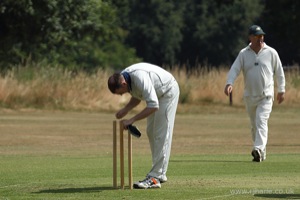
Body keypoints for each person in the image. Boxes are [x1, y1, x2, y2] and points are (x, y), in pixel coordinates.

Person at [107, 62, 180, 188]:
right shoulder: (125, 77)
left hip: (167, 92)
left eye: (121, 92)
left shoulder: (140, 78)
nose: (122, 95)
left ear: (123, 84)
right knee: (150, 132)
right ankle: (159, 173)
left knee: (160, 134)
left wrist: (131, 120)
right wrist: (126, 109)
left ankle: (156, 177)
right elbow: (138, 95)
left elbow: (153, 106)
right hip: (156, 96)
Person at [224, 25, 285, 162]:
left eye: (262, 36)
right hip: (250, 96)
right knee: (254, 126)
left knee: (261, 121)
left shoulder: (271, 52)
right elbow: (235, 69)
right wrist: (229, 83)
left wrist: (281, 90)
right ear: (250, 37)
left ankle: (257, 148)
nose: (260, 38)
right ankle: (260, 152)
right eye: (257, 36)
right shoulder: (244, 53)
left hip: (266, 96)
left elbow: (279, 72)